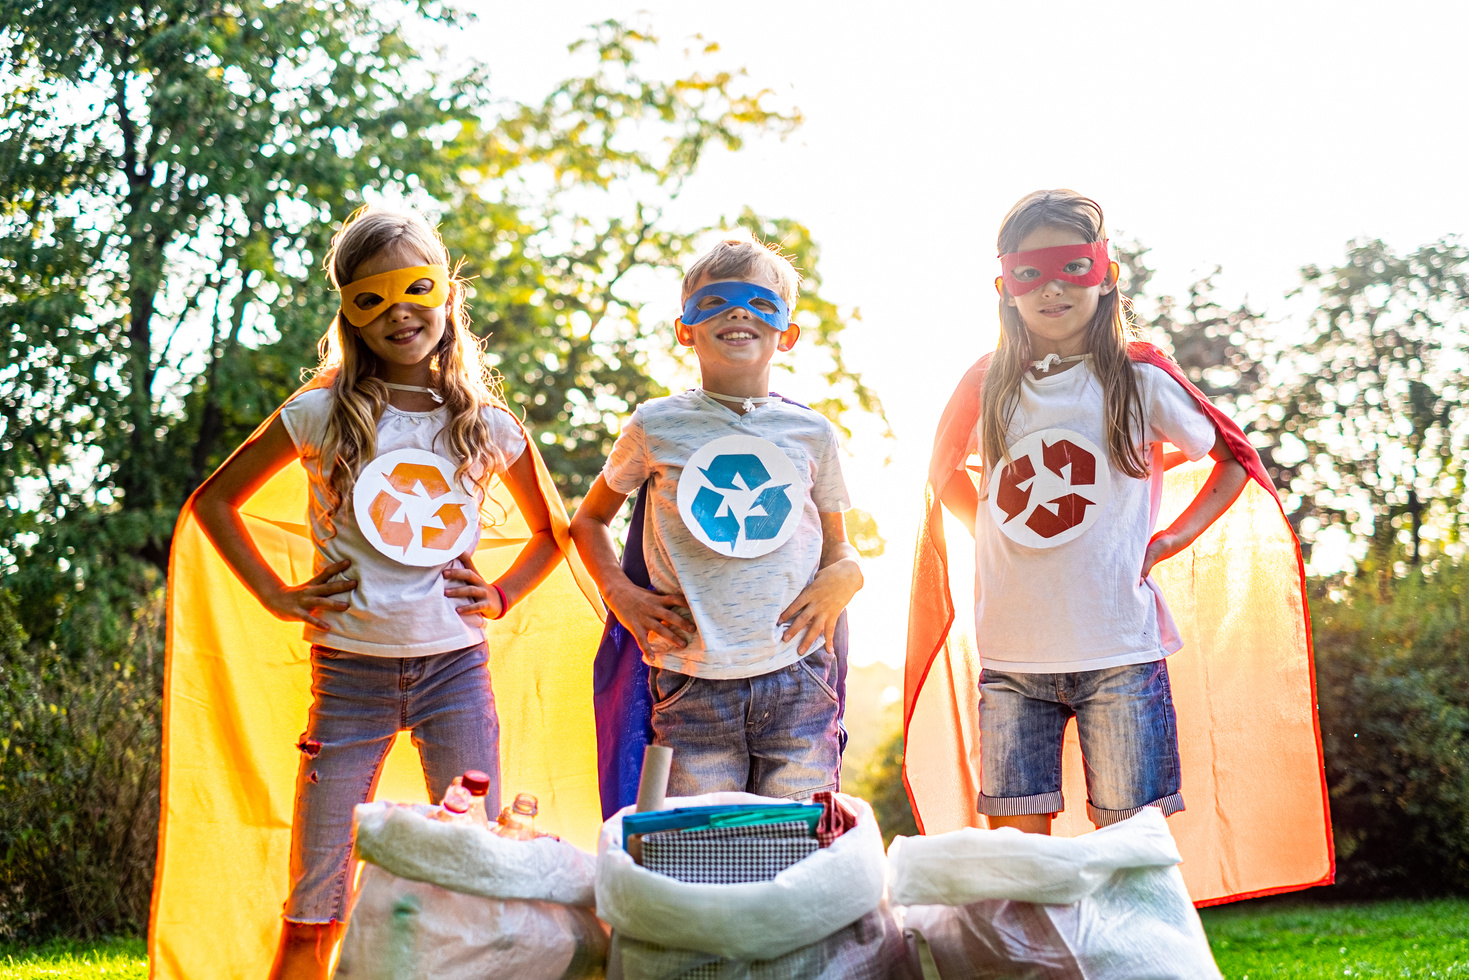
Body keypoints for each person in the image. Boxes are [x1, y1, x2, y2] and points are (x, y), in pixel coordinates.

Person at [190, 206, 566, 979]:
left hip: (455, 674)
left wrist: (498, 596)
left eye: (416, 289)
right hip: (348, 677)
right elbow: (214, 503)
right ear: (350, 315)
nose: (399, 312)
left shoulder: (484, 425)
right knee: (315, 893)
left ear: (447, 299)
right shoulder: (322, 413)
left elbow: (552, 532)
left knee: (475, 873)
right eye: (373, 298)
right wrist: (275, 594)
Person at [928, 189, 1250, 834]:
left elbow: (1234, 459)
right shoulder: (986, 384)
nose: (1053, 287)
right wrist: (992, 528)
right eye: (1030, 272)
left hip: (1120, 652)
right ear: (1006, 286)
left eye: (1072, 266)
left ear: (1107, 276)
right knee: (1022, 862)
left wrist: (1171, 539)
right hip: (1013, 659)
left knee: (1134, 851)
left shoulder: (1141, 380)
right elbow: (943, 476)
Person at [570, 236, 862, 800]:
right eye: (717, 302)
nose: (738, 313)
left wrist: (850, 574)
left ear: (787, 333)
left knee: (798, 846)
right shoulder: (656, 425)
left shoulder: (813, 433)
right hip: (692, 681)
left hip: (798, 674)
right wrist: (620, 594)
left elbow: (838, 550)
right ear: (685, 329)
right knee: (704, 855)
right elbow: (589, 520)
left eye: (760, 303)